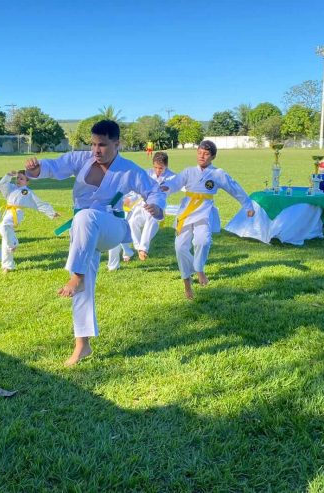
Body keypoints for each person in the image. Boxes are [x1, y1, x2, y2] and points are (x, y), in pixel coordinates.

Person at [25, 120, 165, 366]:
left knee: (86, 217)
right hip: (83, 231)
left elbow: (154, 190)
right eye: (93, 144)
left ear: (117, 143)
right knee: (84, 279)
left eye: (102, 145)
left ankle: (75, 274)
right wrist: (36, 169)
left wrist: (157, 206)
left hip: (112, 226)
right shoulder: (83, 160)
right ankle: (83, 345)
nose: (96, 150)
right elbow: (55, 166)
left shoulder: (129, 169)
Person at [164, 140, 254, 300]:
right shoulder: (188, 171)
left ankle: (199, 268)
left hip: (204, 211)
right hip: (186, 211)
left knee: (203, 241)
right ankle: (187, 282)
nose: (202, 156)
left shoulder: (217, 174)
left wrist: (248, 205)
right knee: (180, 247)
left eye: (206, 154)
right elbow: (175, 183)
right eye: (199, 153)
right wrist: (165, 187)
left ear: (212, 156)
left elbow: (234, 188)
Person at [0, 169, 59, 273]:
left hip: (17, 213)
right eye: (17, 178)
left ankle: (13, 243)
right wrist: (8, 175)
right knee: (5, 238)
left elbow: (38, 203)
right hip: (8, 212)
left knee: (3, 227)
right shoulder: (11, 188)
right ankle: (7, 265)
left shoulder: (26, 192)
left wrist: (51, 212)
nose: (18, 180)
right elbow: (1, 184)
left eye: (21, 179)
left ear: (27, 181)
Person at [128, 151, 176, 261]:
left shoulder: (172, 177)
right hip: (142, 204)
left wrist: (169, 187)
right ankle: (138, 246)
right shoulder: (146, 173)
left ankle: (143, 249)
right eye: (155, 167)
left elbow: (178, 185)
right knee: (132, 222)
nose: (158, 171)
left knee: (151, 221)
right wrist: (130, 199)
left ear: (166, 166)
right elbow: (136, 188)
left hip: (157, 206)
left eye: (161, 168)